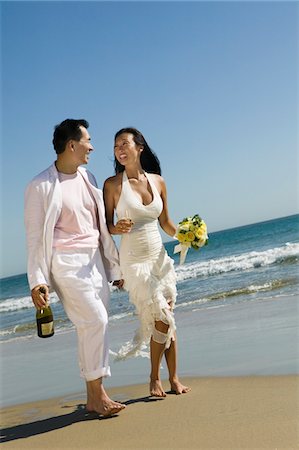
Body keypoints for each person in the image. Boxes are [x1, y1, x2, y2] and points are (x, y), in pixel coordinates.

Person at [24, 119, 125, 416]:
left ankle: (94, 396)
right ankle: (99, 395)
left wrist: (113, 269)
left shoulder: (89, 177)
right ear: (71, 145)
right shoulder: (40, 185)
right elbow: (34, 237)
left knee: (93, 324)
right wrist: (37, 281)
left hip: (93, 261)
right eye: (88, 141)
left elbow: (99, 227)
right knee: (95, 321)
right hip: (65, 264)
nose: (92, 146)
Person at [103, 127, 191, 397]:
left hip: (159, 258)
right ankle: (154, 378)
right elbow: (106, 225)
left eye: (124, 143)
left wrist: (190, 234)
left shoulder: (158, 181)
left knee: (168, 318)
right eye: (116, 145)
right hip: (134, 261)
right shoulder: (112, 185)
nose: (119, 148)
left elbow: (165, 223)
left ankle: (174, 379)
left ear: (139, 147)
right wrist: (116, 228)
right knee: (162, 318)